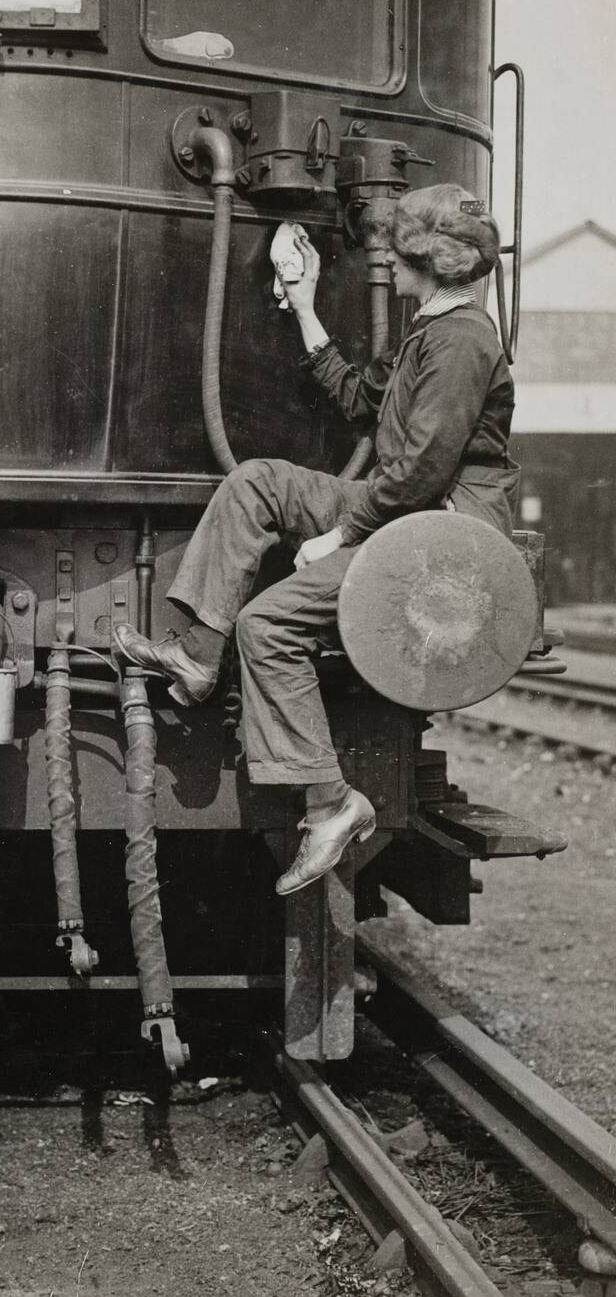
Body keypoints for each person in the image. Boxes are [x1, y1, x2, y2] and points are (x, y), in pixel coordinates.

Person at [116, 184, 517, 896]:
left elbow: (421, 472)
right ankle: (199, 656)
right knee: (258, 483)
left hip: (442, 540)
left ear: (427, 258)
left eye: (398, 251)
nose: (387, 262)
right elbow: (361, 400)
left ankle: (332, 804)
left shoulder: (460, 345)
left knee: (268, 626)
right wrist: (303, 305)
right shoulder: (430, 328)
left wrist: (337, 533)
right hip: (402, 512)